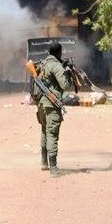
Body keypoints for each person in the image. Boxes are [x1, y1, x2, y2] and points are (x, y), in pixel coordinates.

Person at [36, 41, 72, 177]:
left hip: (41, 104)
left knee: (45, 132)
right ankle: (54, 168)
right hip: (51, 104)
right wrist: (67, 73)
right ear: (59, 52)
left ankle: (44, 162)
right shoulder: (56, 66)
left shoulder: (43, 64)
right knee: (52, 134)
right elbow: (65, 86)